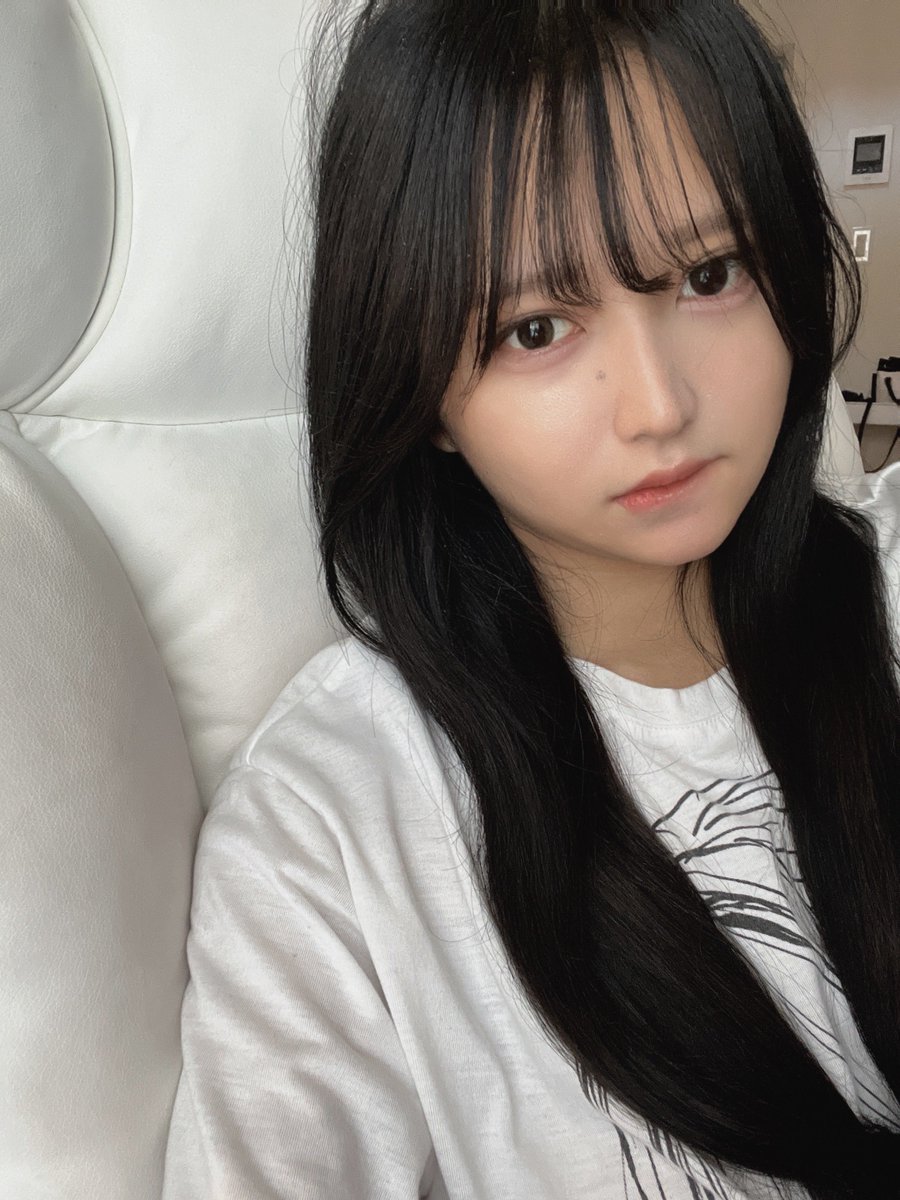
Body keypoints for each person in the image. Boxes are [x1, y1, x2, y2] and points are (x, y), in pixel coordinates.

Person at [162, 1, 900, 1197]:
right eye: (537, 328)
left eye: (710, 274)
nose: (659, 404)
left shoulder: (880, 604)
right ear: (420, 389)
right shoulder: (333, 825)